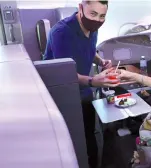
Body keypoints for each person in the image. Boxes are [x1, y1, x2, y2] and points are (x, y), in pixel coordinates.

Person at [43, 1, 118, 167]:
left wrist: (100, 61)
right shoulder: (62, 32)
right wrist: (92, 81)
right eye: (93, 14)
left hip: (83, 90)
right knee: (71, 140)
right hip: (61, 91)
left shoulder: (92, 28)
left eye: (102, 16)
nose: (97, 20)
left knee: (90, 135)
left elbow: (89, 50)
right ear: (80, 8)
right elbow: (64, 74)